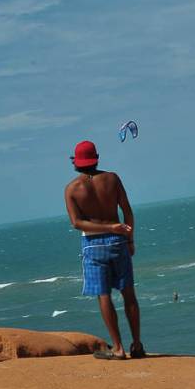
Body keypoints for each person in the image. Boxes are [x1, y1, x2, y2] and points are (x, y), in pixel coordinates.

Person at [64, 140, 145, 360]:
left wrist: (106, 228)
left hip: (93, 245)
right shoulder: (112, 178)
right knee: (129, 293)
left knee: (103, 295)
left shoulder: (72, 189)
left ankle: (118, 348)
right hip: (118, 241)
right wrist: (129, 238)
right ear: (96, 157)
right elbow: (127, 211)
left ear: (76, 161)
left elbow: (77, 223)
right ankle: (137, 344)